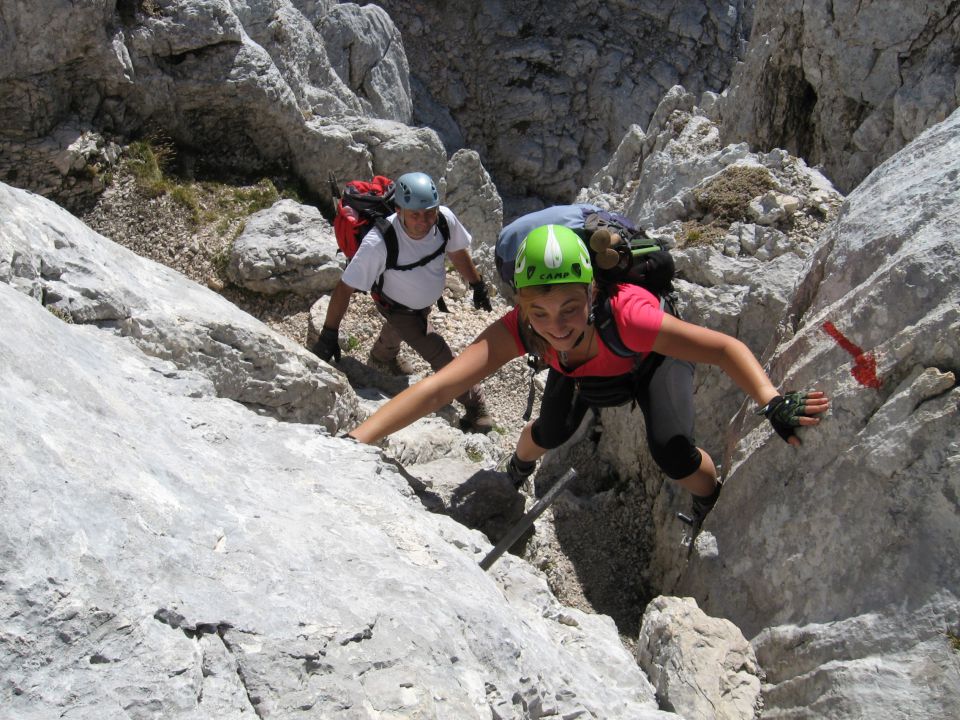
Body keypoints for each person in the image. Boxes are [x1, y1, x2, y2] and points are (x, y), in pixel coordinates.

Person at [347, 224, 830, 525]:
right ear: (521, 306)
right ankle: (518, 470)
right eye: (540, 313)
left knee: (673, 454)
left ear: (593, 293)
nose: (556, 326)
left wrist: (771, 402)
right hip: (584, 372)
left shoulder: (631, 318)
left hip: (649, 363)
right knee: (550, 429)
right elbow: (440, 387)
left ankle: (709, 502)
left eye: (570, 308)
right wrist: (355, 442)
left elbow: (724, 349)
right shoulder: (523, 328)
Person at [312, 171, 495, 432]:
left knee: (404, 327)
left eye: (429, 212)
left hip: (421, 302)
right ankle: (475, 406)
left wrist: (477, 284)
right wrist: (328, 334)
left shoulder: (443, 219)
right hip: (397, 307)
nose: (424, 221)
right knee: (438, 351)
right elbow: (344, 288)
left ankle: (381, 356)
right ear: (399, 211)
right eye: (415, 215)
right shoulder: (379, 242)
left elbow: (456, 251)